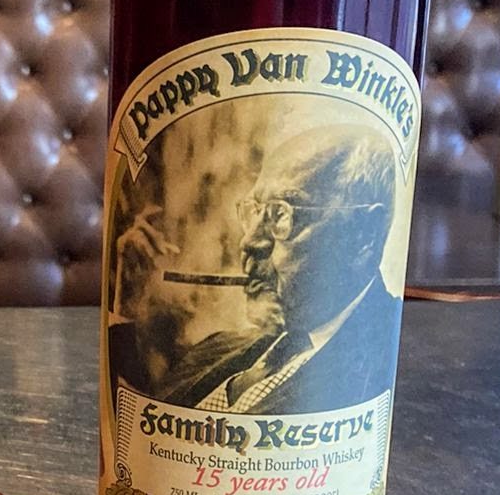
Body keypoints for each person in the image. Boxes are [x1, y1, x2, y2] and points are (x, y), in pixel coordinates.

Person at [109, 123, 401, 416]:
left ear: (363, 234)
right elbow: (143, 410)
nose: (249, 241)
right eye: (254, 211)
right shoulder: (222, 347)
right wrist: (128, 303)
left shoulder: (375, 362)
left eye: (281, 215)